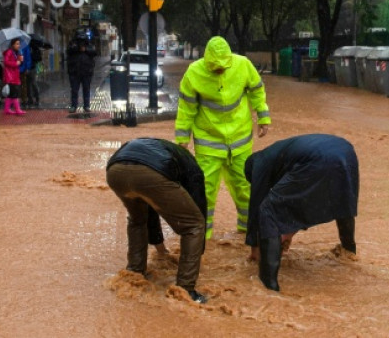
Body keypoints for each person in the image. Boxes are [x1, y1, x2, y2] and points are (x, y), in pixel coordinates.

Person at [174, 35, 271, 239]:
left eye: (223, 66)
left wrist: (263, 116)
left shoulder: (243, 65)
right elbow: (186, 108)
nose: (219, 70)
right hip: (209, 143)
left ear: (230, 59)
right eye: (214, 67)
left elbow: (257, 91)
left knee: (245, 187)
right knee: (204, 190)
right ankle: (202, 236)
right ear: (207, 61)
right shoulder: (194, 72)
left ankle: (248, 231)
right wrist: (182, 137)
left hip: (240, 139)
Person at [244, 134, 359, 291]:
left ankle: (267, 285)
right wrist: (289, 231)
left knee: (267, 209)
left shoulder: (258, 163)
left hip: (319, 158)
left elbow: (257, 205)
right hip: (345, 151)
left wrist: (255, 246)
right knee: (342, 199)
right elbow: (303, 200)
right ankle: (349, 252)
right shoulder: (279, 153)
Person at [105, 138, 208, 304]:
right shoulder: (193, 168)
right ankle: (185, 290)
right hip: (149, 173)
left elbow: (151, 206)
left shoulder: (164, 150)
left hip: (115, 171)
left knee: (138, 220)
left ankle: (135, 273)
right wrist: (199, 251)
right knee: (194, 225)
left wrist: (160, 249)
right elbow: (198, 207)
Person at [66, 32, 97, 112]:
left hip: (86, 72)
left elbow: (94, 52)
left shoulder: (89, 45)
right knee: (74, 90)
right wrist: (77, 48)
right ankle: (74, 106)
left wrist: (85, 49)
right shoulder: (73, 45)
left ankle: (86, 106)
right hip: (74, 72)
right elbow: (68, 50)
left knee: (86, 89)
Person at [2, 38, 26, 115]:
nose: (18, 45)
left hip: (15, 75)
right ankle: (17, 109)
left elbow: (19, 63)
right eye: (17, 44)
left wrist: (21, 60)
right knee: (14, 94)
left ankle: (7, 109)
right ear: (12, 45)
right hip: (11, 77)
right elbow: (6, 62)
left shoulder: (16, 53)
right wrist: (16, 63)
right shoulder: (9, 52)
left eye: (19, 44)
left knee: (11, 95)